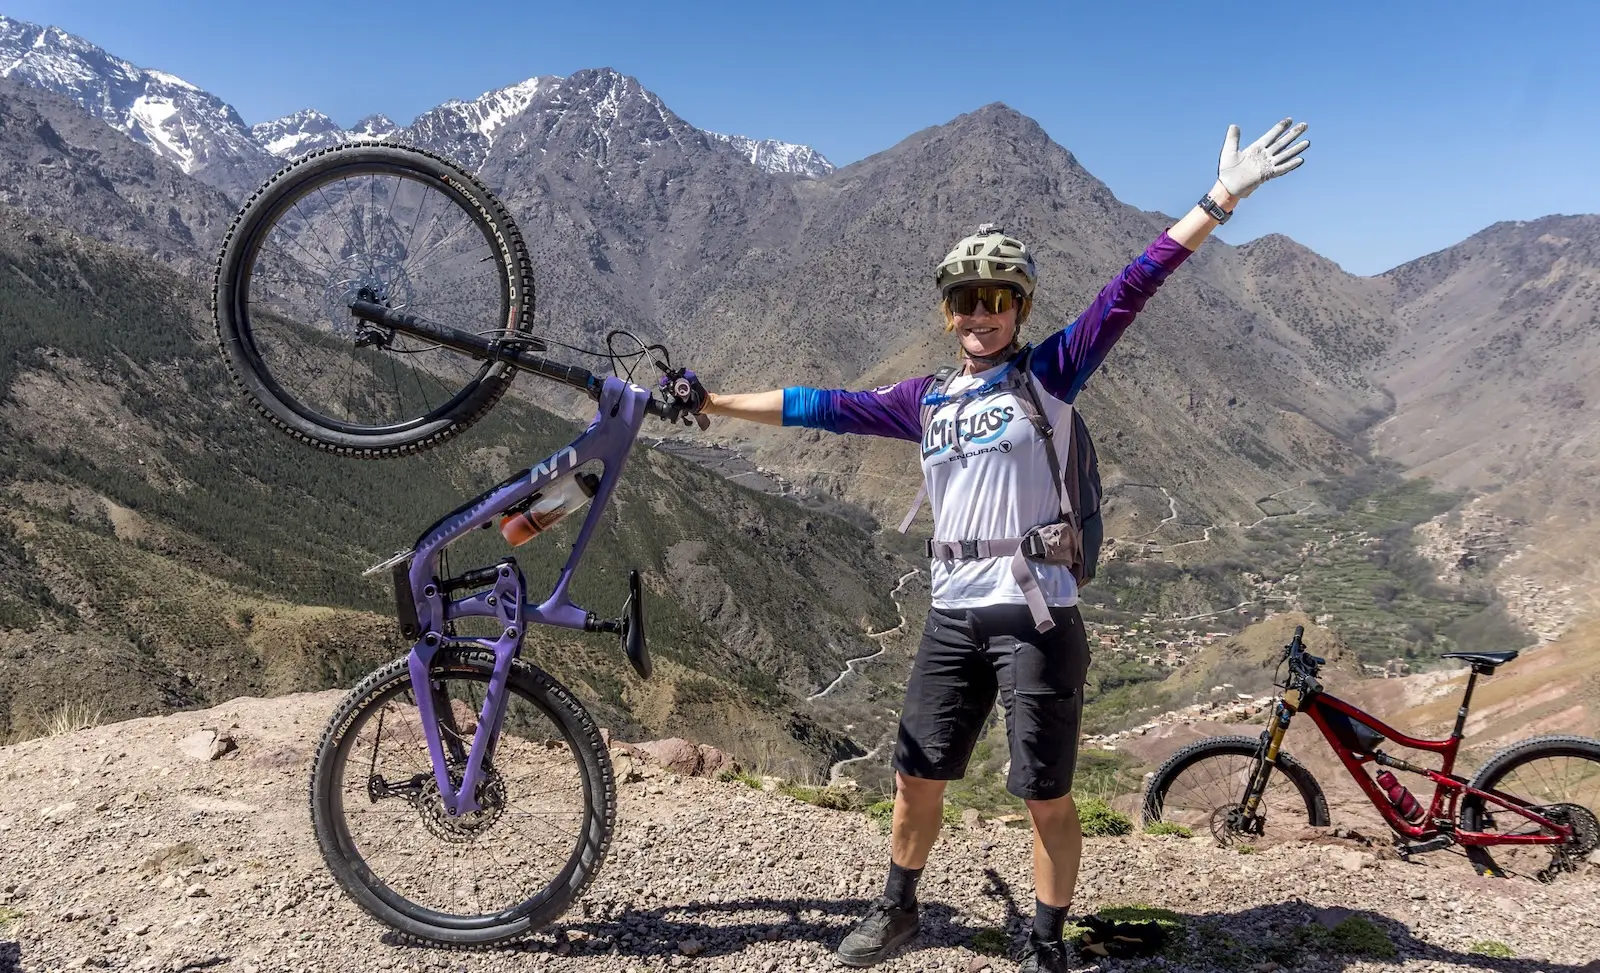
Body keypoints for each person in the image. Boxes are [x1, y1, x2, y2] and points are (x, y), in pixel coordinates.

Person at [671, 118, 1310, 971]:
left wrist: (1220, 199)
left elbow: (1132, 287)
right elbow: (814, 404)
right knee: (913, 780)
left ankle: (1045, 944)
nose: (982, 312)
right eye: (967, 299)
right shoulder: (924, 399)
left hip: (1036, 614)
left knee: (1045, 796)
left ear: (1020, 308)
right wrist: (711, 400)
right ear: (947, 312)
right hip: (950, 616)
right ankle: (898, 909)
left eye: (998, 298)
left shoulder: (1051, 374)